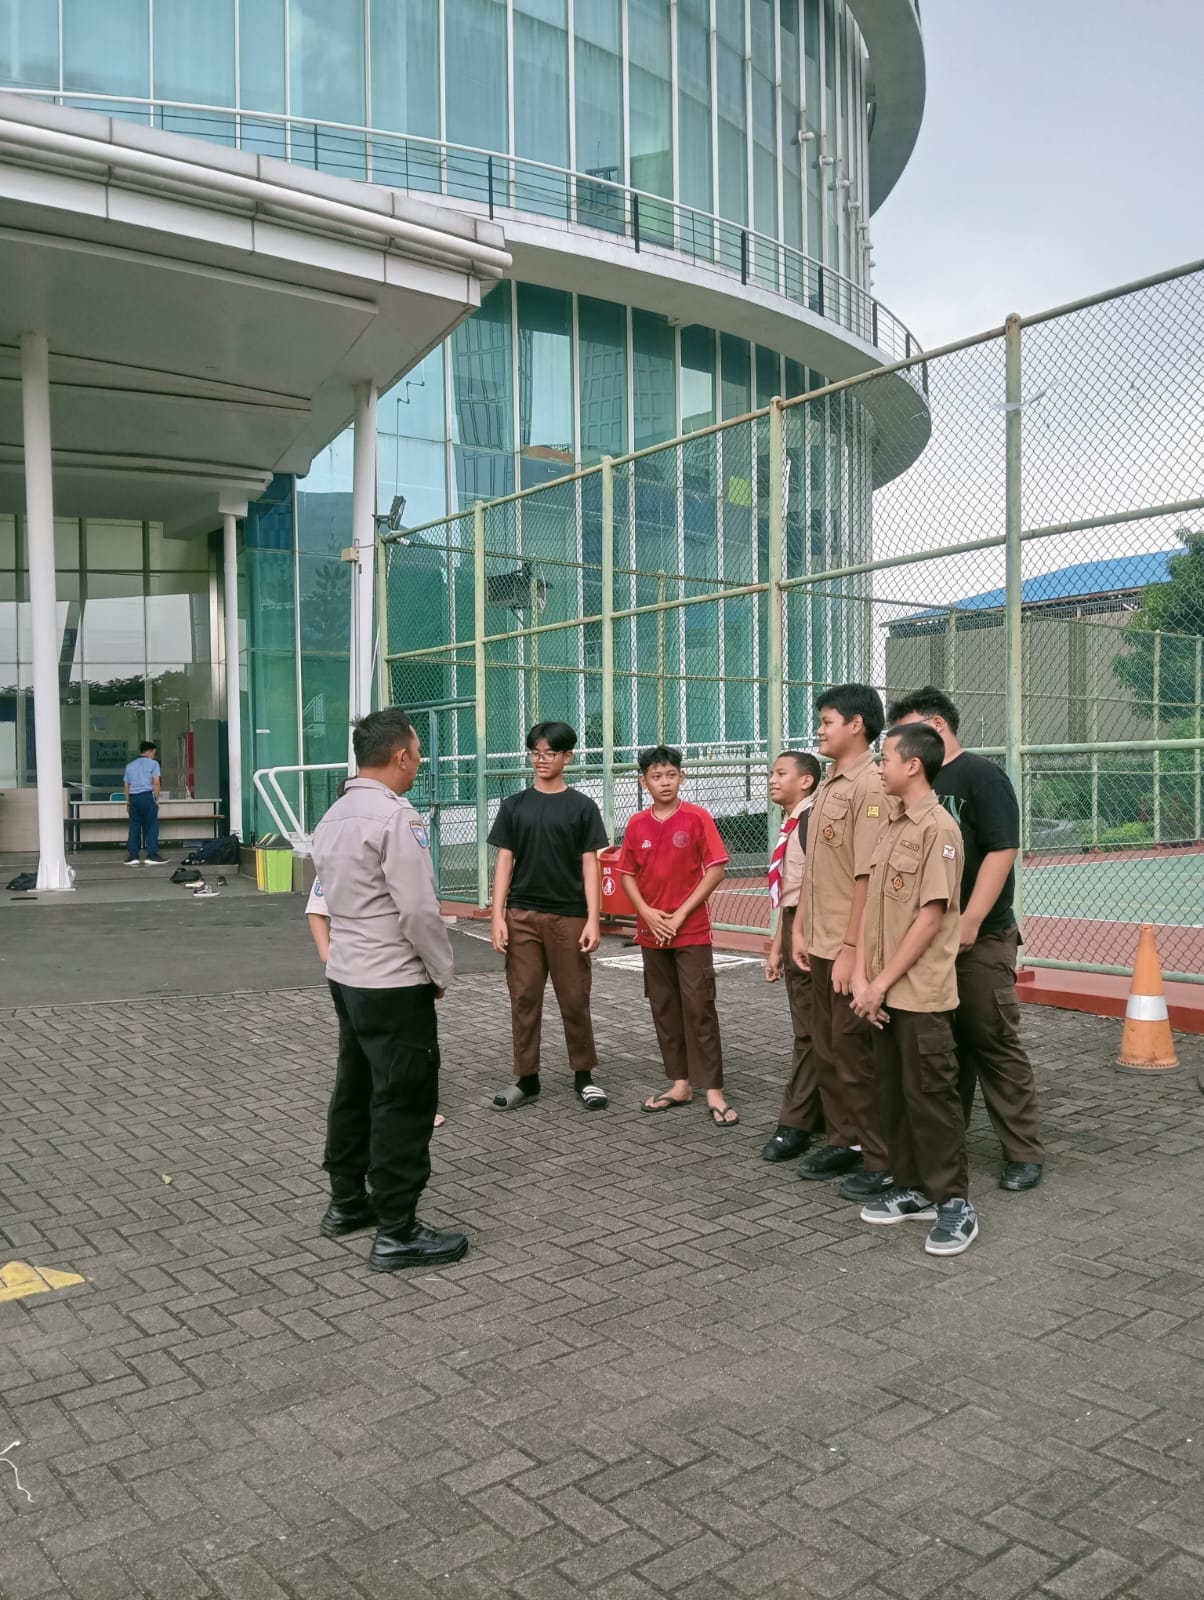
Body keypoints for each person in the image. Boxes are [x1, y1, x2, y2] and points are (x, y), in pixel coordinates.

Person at [309, 707, 465, 1272]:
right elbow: (419, 911)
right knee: (403, 1099)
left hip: (348, 975)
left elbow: (326, 899)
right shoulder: (396, 817)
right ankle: (398, 1230)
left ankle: (347, 1202)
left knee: (353, 1089)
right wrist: (441, 972)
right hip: (394, 981)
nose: (419, 762)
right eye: (417, 753)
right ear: (400, 755)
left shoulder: (333, 816)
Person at [888, 686, 1044, 1191]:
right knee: (942, 1049)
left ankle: (1023, 1151)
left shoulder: (981, 776)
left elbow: (1002, 849)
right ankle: (943, 1151)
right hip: (926, 940)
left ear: (936, 726)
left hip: (981, 936)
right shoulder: (913, 785)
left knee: (991, 1038)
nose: (897, 745)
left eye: (905, 732)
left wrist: (972, 918)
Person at [851, 722, 976, 1256]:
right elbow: (873, 909)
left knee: (931, 1098)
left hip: (918, 994)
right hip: (883, 992)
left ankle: (955, 1203)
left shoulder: (939, 829)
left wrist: (878, 983)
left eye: (885, 758)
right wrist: (863, 977)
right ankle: (914, 1188)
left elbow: (930, 918)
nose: (880, 766)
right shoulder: (892, 823)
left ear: (913, 765)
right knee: (895, 1095)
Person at [793, 684, 891, 1199]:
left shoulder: (870, 786)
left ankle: (882, 1157)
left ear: (857, 725)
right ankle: (845, 1140)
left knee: (855, 1056)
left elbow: (866, 876)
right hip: (823, 939)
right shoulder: (830, 783)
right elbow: (817, 869)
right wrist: (801, 929)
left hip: (851, 946)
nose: (820, 730)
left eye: (827, 721)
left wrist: (852, 950)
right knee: (829, 1050)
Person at [489, 720, 610, 1111]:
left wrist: (593, 918)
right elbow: (504, 862)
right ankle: (527, 1079)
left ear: (567, 757)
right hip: (521, 915)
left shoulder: (582, 807)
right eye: (535, 753)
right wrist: (497, 916)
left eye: (550, 753)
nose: (541, 760)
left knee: (574, 998)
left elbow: (591, 865)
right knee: (524, 997)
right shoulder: (513, 806)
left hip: (569, 917)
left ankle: (584, 1076)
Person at [617, 745, 736, 1126]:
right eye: (656, 776)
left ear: (681, 777)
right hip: (651, 932)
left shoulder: (697, 817)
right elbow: (627, 874)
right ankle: (680, 1083)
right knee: (664, 1008)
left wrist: (681, 914)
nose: (664, 782)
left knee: (699, 1007)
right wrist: (647, 914)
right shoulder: (637, 823)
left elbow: (716, 870)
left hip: (692, 931)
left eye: (671, 775)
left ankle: (713, 1089)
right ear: (643, 782)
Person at [306, 872, 444, 1129]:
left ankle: (401, 1107)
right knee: (388, 1053)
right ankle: (404, 1109)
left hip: (360, 973)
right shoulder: (362, 857)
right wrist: (328, 955)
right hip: (385, 974)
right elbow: (317, 909)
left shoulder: (346, 854)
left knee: (368, 1054)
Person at [761, 750, 825, 1162]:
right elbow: (789, 893)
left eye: (781, 773)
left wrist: (795, 936)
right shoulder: (792, 822)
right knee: (809, 1026)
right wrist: (776, 945)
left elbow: (814, 887)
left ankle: (797, 1121)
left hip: (812, 929)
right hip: (793, 925)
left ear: (806, 781)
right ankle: (819, 1113)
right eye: (772, 772)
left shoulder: (813, 820)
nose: (772, 779)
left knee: (810, 1030)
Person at [123, 740, 166, 864]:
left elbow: (126, 786)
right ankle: (152, 855)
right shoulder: (154, 764)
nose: (154, 755)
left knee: (134, 826)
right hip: (147, 797)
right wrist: (156, 799)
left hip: (134, 798)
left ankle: (133, 856)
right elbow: (156, 783)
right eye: (154, 753)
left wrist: (128, 802)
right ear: (151, 751)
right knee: (152, 825)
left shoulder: (130, 766)